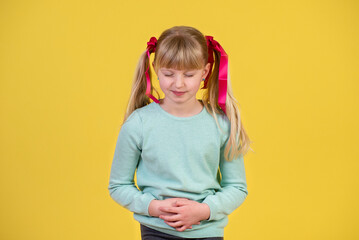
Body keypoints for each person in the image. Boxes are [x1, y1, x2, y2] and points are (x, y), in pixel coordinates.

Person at [108, 25, 252, 240]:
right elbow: (118, 185)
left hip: (207, 232)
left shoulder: (220, 124)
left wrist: (203, 211)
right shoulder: (138, 124)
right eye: (169, 74)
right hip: (156, 232)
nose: (178, 83)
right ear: (156, 69)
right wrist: (155, 207)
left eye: (189, 74)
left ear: (204, 72)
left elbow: (237, 187)